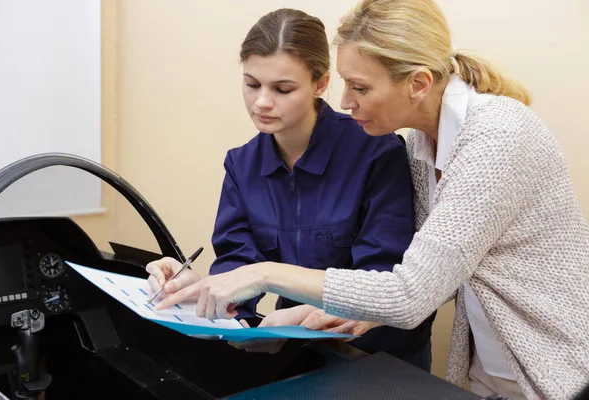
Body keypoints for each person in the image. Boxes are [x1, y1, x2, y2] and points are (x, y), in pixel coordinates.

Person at [156, 1, 589, 399]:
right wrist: (208, 292)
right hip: (488, 363)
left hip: (555, 366)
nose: (345, 102)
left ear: (418, 83)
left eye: (359, 87)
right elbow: (434, 272)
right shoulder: (423, 144)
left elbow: (408, 292)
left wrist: (269, 275)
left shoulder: (496, 137)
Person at [147, 8, 435, 370]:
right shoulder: (242, 164)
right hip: (299, 355)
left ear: (320, 84)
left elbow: (382, 280)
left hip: (380, 358)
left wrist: (303, 315)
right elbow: (239, 265)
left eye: (283, 89)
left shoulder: (377, 150)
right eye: (252, 84)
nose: (262, 102)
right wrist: (200, 291)